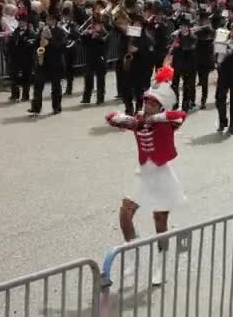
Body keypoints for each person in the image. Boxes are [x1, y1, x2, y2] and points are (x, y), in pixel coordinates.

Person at [105, 66, 186, 286]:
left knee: (160, 222)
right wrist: (122, 118)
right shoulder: (139, 122)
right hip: (143, 175)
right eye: (146, 102)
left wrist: (157, 117)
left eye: (152, 103)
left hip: (161, 176)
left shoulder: (167, 122)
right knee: (125, 215)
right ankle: (132, 254)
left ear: (160, 106)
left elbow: (180, 116)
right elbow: (111, 117)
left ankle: (161, 265)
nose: (148, 106)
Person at [28, 13, 67, 115]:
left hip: (55, 62)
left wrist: (50, 42)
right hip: (43, 61)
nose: (48, 21)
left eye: (50, 20)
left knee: (56, 87)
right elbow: (37, 43)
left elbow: (62, 46)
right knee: (38, 85)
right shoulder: (42, 30)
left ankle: (56, 107)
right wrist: (35, 42)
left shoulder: (60, 31)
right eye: (47, 20)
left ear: (54, 20)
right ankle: (36, 107)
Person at [7, 12, 36, 102]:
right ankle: (14, 94)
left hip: (27, 57)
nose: (21, 23)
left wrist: (23, 39)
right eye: (20, 21)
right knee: (14, 76)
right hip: (16, 57)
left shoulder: (30, 32)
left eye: (23, 22)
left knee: (26, 77)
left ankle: (25, 95)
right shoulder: (16, 31)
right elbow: (11, 43)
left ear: (26, 23)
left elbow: (31, 43)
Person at [80, 15, 109, 104]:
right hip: (90, 58)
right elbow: (83, 43)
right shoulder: (89, 32)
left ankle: (100, 98)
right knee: (88, 77)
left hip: (100, 58)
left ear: (101, 25)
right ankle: (86, 98)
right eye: (93, 24)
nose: (94, 26)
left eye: (97, 24)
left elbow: (105, 43)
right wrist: (86, 35)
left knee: (100, 79)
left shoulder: (105, 33)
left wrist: (97, 37)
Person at [170, 18, 197, 111]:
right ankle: (175, 102)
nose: (183, 28)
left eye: (185, 27)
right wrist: (173, 45)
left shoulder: (193, 37)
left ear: (189, 28)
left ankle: (186, 103)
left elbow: (189, 48)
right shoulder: (177, 36)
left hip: (188, 65)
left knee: (187, 86)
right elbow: (171, 50)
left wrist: (179, 44)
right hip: (176, 64)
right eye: (182, 26)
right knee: (174, 85)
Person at [193, 11, 214, 109]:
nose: (201, 21)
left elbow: (212, 34)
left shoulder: (210, 29)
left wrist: (206, 27)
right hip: (197, 58)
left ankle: (203, 100)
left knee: (204, 81)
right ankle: (192, 100)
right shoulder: (197, 29)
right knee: (194, 79)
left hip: (206, 59)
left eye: (204, 20)